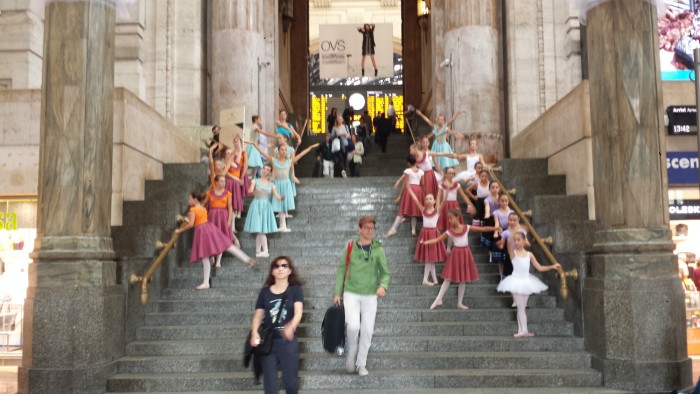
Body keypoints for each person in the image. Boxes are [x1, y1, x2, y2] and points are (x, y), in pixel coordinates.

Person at [333, 216, 390, 377]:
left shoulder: (378, 249)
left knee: (367, 330)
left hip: (370, 296)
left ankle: (361, 364)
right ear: (359, 229)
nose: (370, 231)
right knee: (353, 327)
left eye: (372, 228)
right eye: (366, 228)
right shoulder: (350, 247)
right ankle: (352, 349)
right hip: (351, 293)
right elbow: (341, 269)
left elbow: (385, 274)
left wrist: (383, 286)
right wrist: (338, 292)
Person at [176, 192, 255, 289]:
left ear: (195, 200)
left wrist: (180, 229)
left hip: (201, 232)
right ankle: (245, 258)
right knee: (227, 245)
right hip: (210, 228)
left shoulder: (192, 210)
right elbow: (197, 220)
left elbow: (191, 224)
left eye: (190, 199)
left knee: (205, 257)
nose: (189, 201)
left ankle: (206, 282)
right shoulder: (202, 208)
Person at [421, 208, 495, 310]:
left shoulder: (466, 227)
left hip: (465, 254)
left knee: (463, 279)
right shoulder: (449, 232)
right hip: (456, 255)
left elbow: (482, 229)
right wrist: (425, 242)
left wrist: (495, 228)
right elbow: (438, 239)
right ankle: (438, 298)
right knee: (448, 278)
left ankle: (459, 303)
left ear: (457, 217)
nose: (449, 220)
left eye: (451, 218)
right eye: (448, 219)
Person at [250, 256, 304, 394]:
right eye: (276, 266)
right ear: (272, 271)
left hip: (288, 342)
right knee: (270, 386)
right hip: (269, 342)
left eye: (284, 266)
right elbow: (258, 315)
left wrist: (291, 326)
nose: (280, 268)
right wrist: (255, 331)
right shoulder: (265, 292)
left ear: (290, 270)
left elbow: (298, 312)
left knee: (291, 384)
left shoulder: (295, 290)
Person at [497, 232, 560, 337]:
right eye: (515, 240)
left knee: (522, 308)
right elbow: (508, 245)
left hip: (526, 281)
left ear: (524, 240)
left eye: (519, 240)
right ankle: (523, 331)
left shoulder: (529, 254)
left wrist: (552, 266)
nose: (516, 242)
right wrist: (510, 233)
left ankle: (522, 330)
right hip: (515, 281)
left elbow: (539, 267)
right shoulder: (513, 253)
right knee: (521, 307)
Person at [248, 140, 320, 232]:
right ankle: (282, 225)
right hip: (277, 184)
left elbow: (301, 154)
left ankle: (283, 225)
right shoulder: (273, 160)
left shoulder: (289, 161)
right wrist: (254, 144)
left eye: (285, 150)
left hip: (286, 185)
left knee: (283, 206)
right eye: (282, 149)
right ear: (278, 151)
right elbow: (263, 152)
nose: (283, 151)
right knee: (278, 205)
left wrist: (310, 147)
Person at [406, 186, 445, 286]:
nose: (428, 201)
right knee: (430, 258)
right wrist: (410, 190)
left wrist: (444, 189)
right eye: (427, 199)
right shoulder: (423, 209)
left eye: (430, 199)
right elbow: (415, 199)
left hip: (434, 234)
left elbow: (443, 199)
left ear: (434, 201)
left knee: (431, 259)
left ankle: (434, 280)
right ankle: (425, 280)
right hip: (425, 234)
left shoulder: (437, 210)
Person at [244, 163, 285, 258]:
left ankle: (264, 250)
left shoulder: (271, 185)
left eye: (267, 170)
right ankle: (259, 251)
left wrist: (281, 198)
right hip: (256, 205)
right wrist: (251, 192)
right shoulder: (255, 181)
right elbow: (250, 191)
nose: (264, 171)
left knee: (261, 230)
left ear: (270, 173)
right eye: (264, 169)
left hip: (266, 207)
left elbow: (277, 195)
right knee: (259, 230)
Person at [385, 155, 424, 238]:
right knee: (414, 211)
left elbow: (405, 184)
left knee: (403, 210)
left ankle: (393, 229)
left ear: (409, 163)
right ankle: (413, 230)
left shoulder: (407, 171)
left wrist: (400, 195)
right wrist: (424, 193)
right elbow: (423, 184)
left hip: (410, 189)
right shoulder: (421, 171)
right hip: (418, 190)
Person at [202, 175, 234, 268]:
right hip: (212, 217)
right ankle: (212, 257)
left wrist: (229, 220)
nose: (223, 183)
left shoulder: (228, 193)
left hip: (223, 217)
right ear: (216, 182)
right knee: (211, 238)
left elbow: (230, 207)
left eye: (224, 181)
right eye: (221, 181)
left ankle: (218, 261)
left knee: (221, 237)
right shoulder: (210, 193)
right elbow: (204, 204)